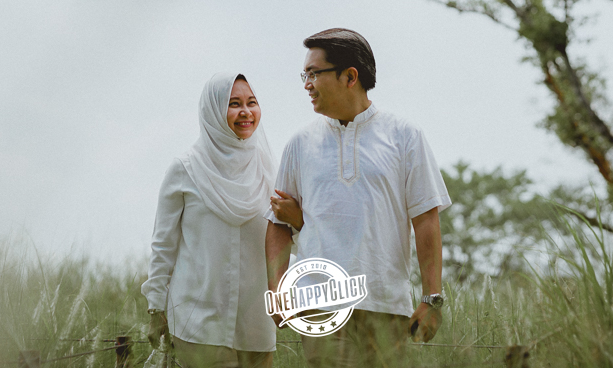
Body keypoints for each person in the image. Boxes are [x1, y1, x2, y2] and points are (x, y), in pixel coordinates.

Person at [265, 28, 451, 368]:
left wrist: (431, 299)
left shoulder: (405, 136)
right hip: (319, 306)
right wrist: (277, 290)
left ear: (350, 76)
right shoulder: (299, 143)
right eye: (304, 75)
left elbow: (426, 219)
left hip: (386, 306)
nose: (307, 84)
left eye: (313, 74)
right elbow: (277, 224)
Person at [144, 72, 291, 368]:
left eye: (251, 102)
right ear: (212, 110)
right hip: (199, 321)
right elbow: (163, 244)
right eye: (234, 104)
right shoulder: (185, 168)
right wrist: (155, 305)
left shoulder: (268, 169)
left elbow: (285, 235)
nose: (246, 111)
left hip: (256, 321)